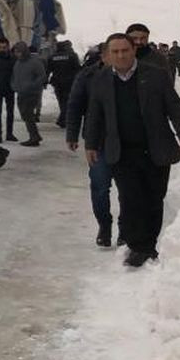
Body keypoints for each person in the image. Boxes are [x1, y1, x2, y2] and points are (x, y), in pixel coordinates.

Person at [85, 32, 180, 267]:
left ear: (133, 51)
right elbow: (95, 114)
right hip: (122, 151)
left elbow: (174, 106)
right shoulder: (102, 79)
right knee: (131, 199)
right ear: (108, 54)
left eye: (125, 50)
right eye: (115, 52)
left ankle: (149, 243)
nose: (120, 56)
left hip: (155, 148)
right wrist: (91, 144)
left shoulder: (155, 75)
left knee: (154, 198)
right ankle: (137, 246)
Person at [66, 43, 119, 247]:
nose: (117, 57)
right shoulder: (87, 76)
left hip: (127, 140)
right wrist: (72, 133)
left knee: (127, 188)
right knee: (99, 186)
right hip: (97, 140)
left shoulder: (131, 76)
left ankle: (125, 228)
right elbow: (75, 104)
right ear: (104, 56)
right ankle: (104, 226)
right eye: (112, 53)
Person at [11, 41, 48, 146]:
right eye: (15, 52)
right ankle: (35, 136)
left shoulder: (35, 62)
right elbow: (14, 76)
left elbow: (42, 76)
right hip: (21, 92)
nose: (16, 54)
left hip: (32, 93)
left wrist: (32, 85)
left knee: (28, 114)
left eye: (18, 52)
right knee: (25, 114)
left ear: (24, 51)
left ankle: (34, 137)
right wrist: (13, 85)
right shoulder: (18, 63)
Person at [47, 40, 82, 128]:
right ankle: (63, 119)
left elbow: (48, 69)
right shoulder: (72, 56)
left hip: (57, 82)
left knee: (61, 101)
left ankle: (63, 119)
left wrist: (45, 80)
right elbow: (77, 68)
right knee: (67, 101)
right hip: (69, 82)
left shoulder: (52, 57)